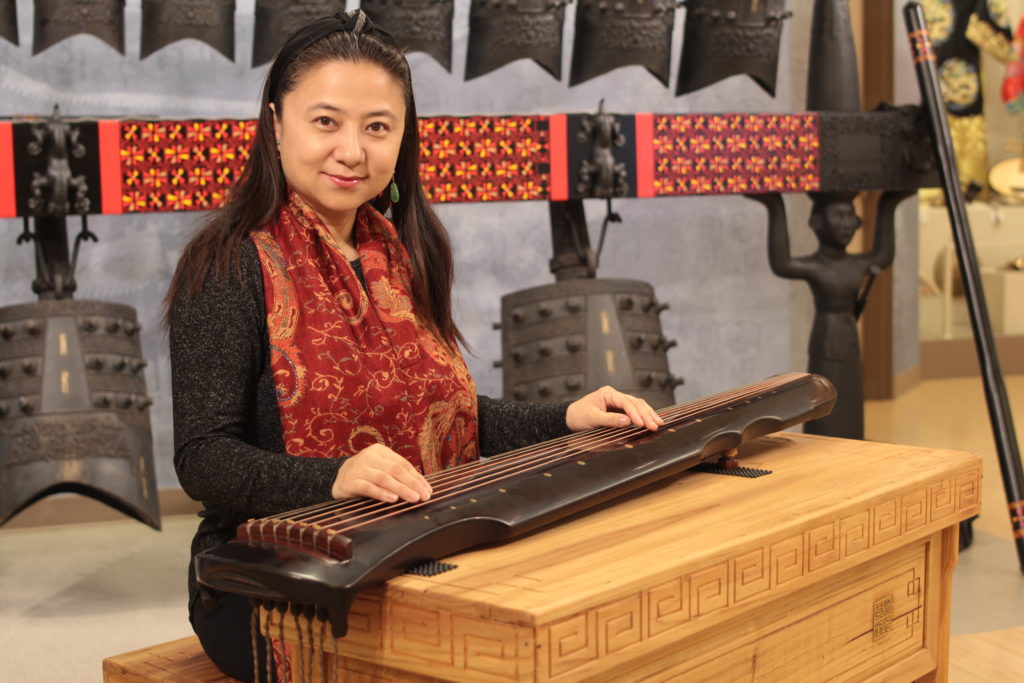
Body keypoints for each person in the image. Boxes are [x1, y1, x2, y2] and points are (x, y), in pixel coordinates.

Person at [166, 11, 663, 681]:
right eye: (326, 122)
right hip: (271, 573)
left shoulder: (402, 251)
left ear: (403, 139)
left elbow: (442, 413)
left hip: (410, 541)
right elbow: (202, 457)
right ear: (276, 123)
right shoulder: (228, 263)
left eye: (378, 127)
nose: (352, 150)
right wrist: (333, 476)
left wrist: (564, 418)